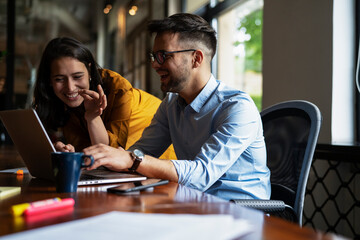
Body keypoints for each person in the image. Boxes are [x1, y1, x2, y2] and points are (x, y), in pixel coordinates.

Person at [83, 13, 270, 200]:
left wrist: (131, 160)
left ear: (196, 59)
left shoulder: (237, 108)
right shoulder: (171, 104)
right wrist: (100, 159)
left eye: (163, 55)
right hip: (195, 204)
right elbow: (142, 152)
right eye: (154, 56)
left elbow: (201, 175)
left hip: (243, 212)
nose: (154, 64)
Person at [32, 37, 175, 159]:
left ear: (89, 70)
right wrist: (67, 152)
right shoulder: (63, 103)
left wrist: (93, 117)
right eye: (59, 79)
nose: (70, 87)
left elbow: (110, 152)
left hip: (163, 160)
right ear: (49, 80)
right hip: (124, 167)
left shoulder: (118, 89)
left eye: (77, 77)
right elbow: (88, 151)